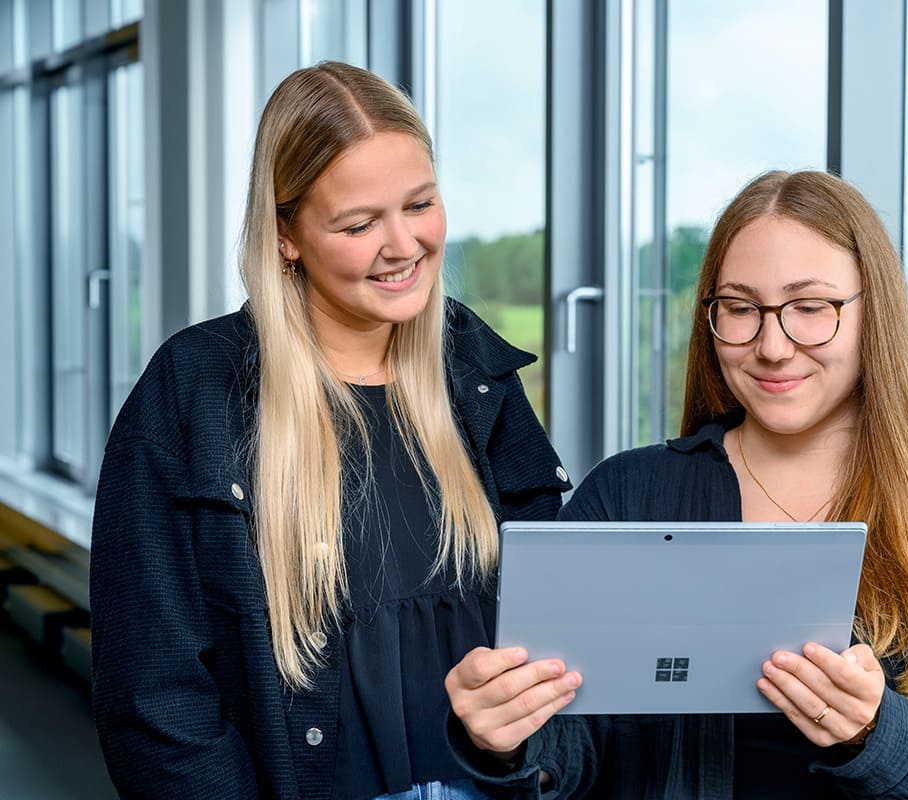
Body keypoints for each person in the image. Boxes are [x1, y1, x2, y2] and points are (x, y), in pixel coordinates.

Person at [444, 170, 908, 798]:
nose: (772, 346)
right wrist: (503, 739)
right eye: (740, 308)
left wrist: (873, 730)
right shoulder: (625, 497)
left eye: (811, 308)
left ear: (877, 316)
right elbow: (570, 749)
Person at [89, 62, 570, 800]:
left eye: (420, 204)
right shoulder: (192, 392)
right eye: (359, 224)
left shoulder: (478, 375)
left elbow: (554, 631)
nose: (404, 244)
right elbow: (157, 701)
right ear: (286, 234)